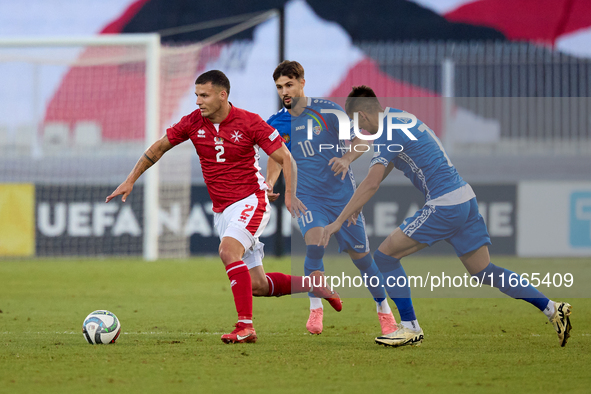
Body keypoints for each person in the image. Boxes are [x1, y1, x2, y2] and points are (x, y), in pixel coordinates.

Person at [319, 85, 573, 347]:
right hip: (465, 198)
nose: (359, 130)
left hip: (445, 204)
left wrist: (339, 220)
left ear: (362, 115)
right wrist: (359, 205)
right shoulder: (401, 117)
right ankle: (553, 309)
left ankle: (409, 327)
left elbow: (371, 182)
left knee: (385, 257)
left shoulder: (387, 132)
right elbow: (388, 167)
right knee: (484, 270)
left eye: (355, 123)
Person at [106, 70, 340, 344]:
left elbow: (286, 157)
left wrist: (288, 195)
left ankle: (245, 327)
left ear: (222, 95)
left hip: (251, 200)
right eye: (196, 95)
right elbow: (159, 148)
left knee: (228, 252)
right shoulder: (193, 122)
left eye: (203, 95)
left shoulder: (249, 122)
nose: (198, 102)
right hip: (222, 210)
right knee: (258, 286)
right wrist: (130, 180)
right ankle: (312, 284)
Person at [266, 61, 397, 335]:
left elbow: (363, 139)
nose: (284, 91)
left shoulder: (328, 111)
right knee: (314, 242)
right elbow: (277, 157)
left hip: (342, 197)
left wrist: (347, 157)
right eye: (279, 87)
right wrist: (269, 182)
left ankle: (383, 308)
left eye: (289, 85)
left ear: (302, 82)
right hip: (307, 197)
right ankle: (316, 307)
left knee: (361, 258)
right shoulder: (277, 122)